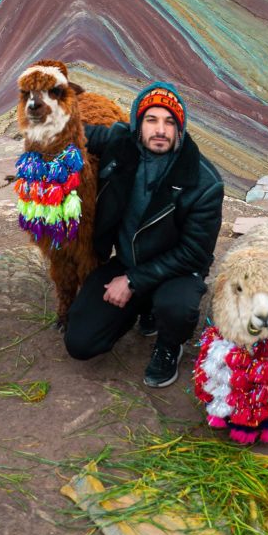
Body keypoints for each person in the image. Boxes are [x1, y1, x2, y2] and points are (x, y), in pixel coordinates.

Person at [64, 81, 223, 387]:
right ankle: (144, 308)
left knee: (176, 308)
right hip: (128, 261)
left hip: (176, 272)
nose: (160, 130)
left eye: (169, 122)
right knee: (80, 343)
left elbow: (194, 253)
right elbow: (73, 134)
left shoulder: (203, 182)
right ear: (138, 124)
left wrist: (132, 281)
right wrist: (43, 125)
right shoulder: (121, 143)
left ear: (180, 128)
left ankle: (169, 345)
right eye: (151, 120)